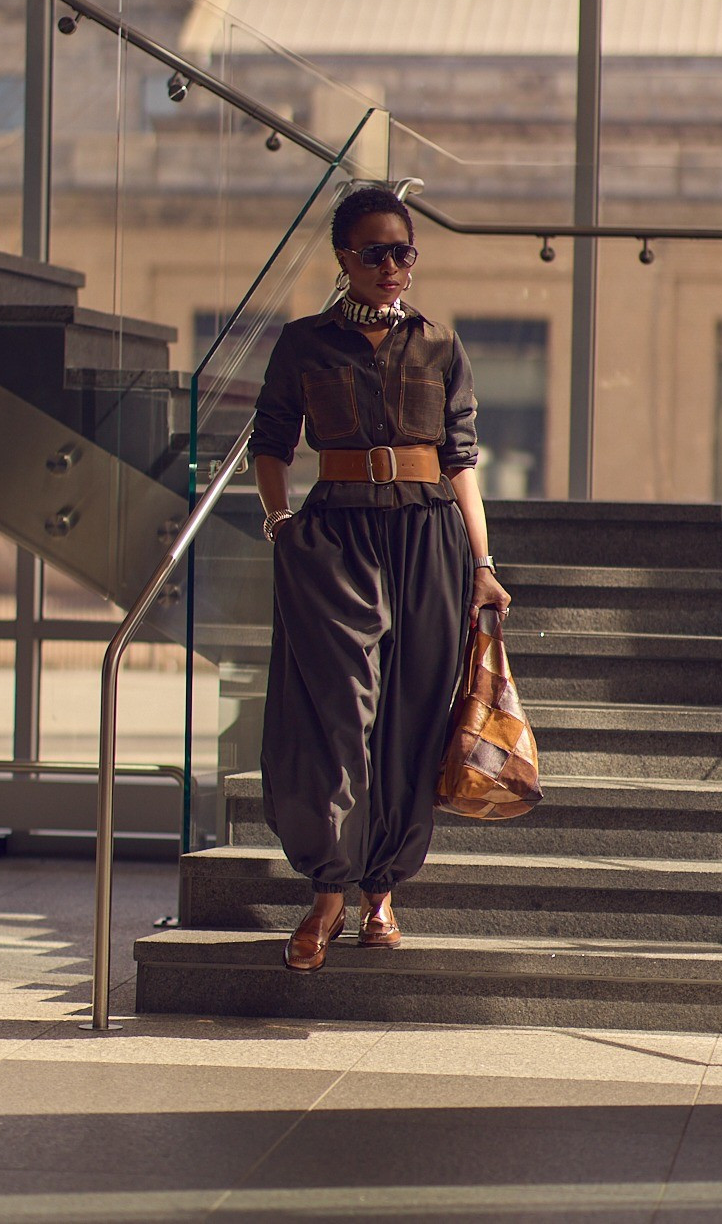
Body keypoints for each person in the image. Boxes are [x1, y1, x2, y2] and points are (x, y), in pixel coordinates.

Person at [248, 185, 511, 972]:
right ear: (344, 258)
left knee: (413, 716)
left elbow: (461, 461)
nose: (394, 265)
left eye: (404, 252)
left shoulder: (440, 344)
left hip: (428, 538)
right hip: (335, 538)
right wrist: (281, 524)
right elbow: (270, 442)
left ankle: (381, 892)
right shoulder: (304, 343)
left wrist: (483, 565)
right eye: (376, 253)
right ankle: (328, 889)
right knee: (337, 715)